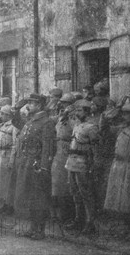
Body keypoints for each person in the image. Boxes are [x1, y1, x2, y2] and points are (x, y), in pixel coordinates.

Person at [12, 93, 56, 240]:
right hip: (26, 164)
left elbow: (48, 147)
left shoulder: (46, 122)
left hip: (37, 165)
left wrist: (44, 167)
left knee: (39, 198)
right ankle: (32, 227)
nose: (28, 105)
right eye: (29, 102)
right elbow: (16, 121)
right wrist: (19, 106)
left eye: (32, 103)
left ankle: (40, 230)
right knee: (29, 197)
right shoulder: (30, 120)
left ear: (39, 105)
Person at [103, 100, 130, 241]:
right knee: (119, 201)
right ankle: (125, 229)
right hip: (119, 166)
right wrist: (117, 108)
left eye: (127, 114)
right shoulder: (121, 129)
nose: (124, 117)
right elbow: (105, 123)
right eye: (124, 114)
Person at [64, 99, 100, 235]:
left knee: (86, 194)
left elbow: (95, 148)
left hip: (83, 162)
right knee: (75, 192)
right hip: (72, 162)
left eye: (80, 110)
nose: (77, 112)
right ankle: (79, 220)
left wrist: (94, 164)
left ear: (87, 111)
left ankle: (90, 223)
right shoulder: (77, 125)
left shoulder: (92, 127)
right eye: (77, 110)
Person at [50, 93, 76, 224]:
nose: (64, 106)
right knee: (56, 183)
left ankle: (66, 215)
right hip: (58, 149)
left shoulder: (74, 118)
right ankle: (56, 213)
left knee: (66, 184)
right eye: (63, 103)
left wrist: (68, 116)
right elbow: (52, 122)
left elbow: (75, 131)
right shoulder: (61, 117)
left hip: (67, 149)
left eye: (67, 103)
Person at [0, 105, 17, 215]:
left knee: (6, 182)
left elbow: (15, 144)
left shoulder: (13, 126)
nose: (0, 115)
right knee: (0, 181)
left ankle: (8, 205)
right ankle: (3, 204)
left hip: (6, 155)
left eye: (2, 114)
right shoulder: (3, 125)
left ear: (8, 115)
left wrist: (12, 160)